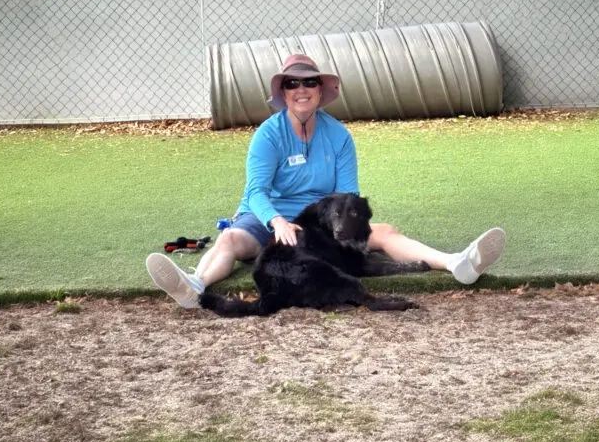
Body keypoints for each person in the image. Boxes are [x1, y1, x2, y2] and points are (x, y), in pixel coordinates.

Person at [146, 53, 505, 309]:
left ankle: (457, 262)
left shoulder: (339, 136)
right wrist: (277, 221)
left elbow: (347, 196)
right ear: (283, 92)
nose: (301, 89)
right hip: (270, 216)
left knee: (385, 232)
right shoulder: (268, 135)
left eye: (309, 82)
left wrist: (341, 229)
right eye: (293, 83)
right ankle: (195, 286)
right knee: (231, 239)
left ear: (320, 90)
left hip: (319, 223)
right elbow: (256, 190)